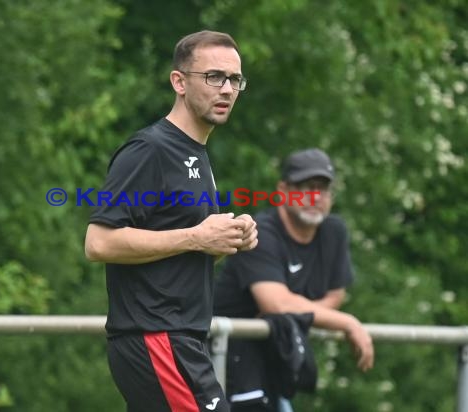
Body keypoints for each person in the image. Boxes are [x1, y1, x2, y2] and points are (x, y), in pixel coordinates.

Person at [84, 30, 258, 412]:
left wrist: (225, 241)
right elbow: (99, 243)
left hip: (179, 338)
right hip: (157, 337)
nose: (227, 89)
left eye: (234, 79)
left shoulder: (196, 153)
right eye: (214, 77)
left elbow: (180, 252)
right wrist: (197, 237)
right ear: (179, 81)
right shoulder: (150, 149)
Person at [213, 148, 374, 412]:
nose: (315, 197)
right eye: (305, 187)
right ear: (283, 191)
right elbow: (275, 304)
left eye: (322, 188)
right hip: (223, 357)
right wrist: (348, 323)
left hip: (276, 357)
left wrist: (294, 313)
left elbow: (336, 295)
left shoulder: (334, 231)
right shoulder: (260, 232)